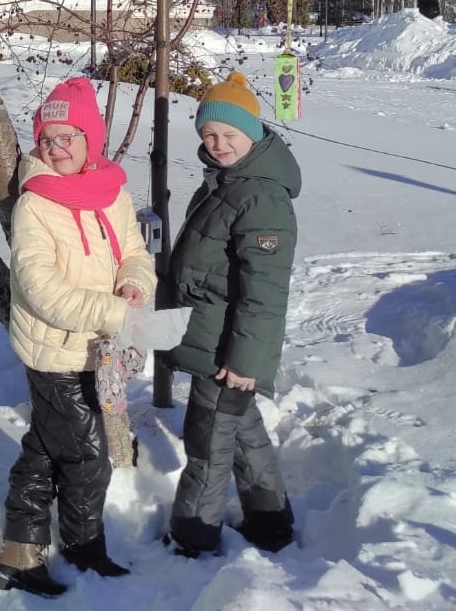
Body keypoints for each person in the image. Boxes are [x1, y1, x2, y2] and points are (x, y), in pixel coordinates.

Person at [0, 76, 157, 597]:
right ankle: (84, 545)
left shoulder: (111, 191)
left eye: (67, 137)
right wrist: (111, 311)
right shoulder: (35, 203)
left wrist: (132, 285)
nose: (55, 149)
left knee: (45, 446)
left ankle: (20, 550)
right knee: (87, 454)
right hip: (54, 350)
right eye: (46, 139)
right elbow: (39, 288)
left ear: (91, 140)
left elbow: (135, 253)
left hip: (99, 351)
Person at [162, 71, 299, 557]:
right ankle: (270, 523)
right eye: (209, 135)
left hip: (227, 347)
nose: (218, 144)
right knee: (242, 431)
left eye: (229, 135)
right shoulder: (229, 182)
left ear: (254, 134)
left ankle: (193, 538)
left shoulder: (259, 196)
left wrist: (245, 362)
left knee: (207, 444)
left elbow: (265, 291)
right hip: (215, 338)